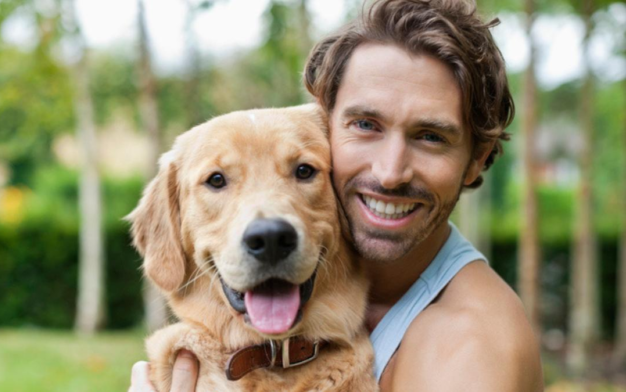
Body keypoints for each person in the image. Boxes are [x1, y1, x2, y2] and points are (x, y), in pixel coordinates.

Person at [129, 0, 544, 391]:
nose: (390, 172)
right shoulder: (348, 287)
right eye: (366, 124)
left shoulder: (468, 347)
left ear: (476, 159)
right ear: (330, 127)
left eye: (430, 136)